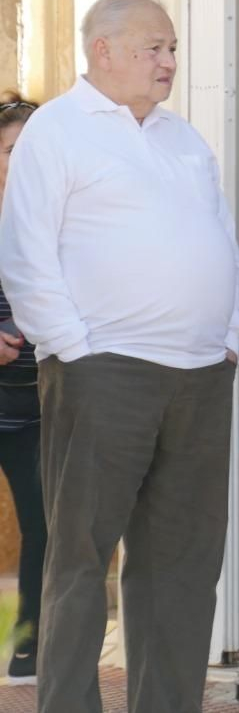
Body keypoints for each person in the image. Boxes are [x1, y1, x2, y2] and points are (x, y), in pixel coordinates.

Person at [0, 0, 239, 713]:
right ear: (102, 51)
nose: (170, 61)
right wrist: (73, 347)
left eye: (172, 48)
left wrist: (227, 331)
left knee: (183, 563)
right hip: (103, 371)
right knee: (80, 557)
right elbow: (27, 254)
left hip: (201, 373)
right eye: (155, 48)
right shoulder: (57, 130)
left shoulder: (182, 138)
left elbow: (223, 245)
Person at [0, 93, 45, 687]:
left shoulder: (64, 218)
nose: (23, 160)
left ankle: (27, 649)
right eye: (12, 149)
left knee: (45, 524)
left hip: (36, 402)